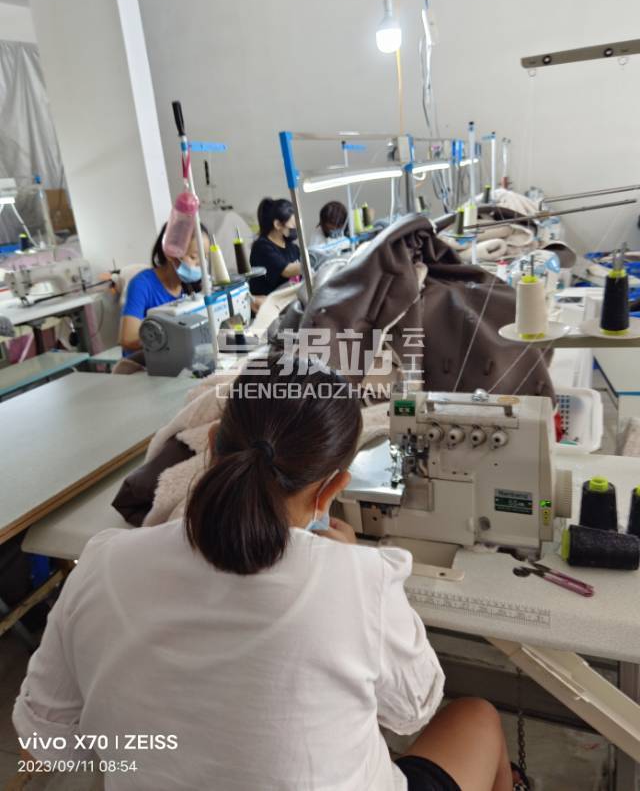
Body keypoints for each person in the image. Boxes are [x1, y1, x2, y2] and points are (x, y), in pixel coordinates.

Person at [13, 355, 521, 791]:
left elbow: (44, 743)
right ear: (333, 488)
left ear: (212, 445)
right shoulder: (358, 580)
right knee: (476, 718)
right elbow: (414, 710)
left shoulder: (103, 563)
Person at [118, 222, 209, 356]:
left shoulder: (189, 287)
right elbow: (127, 338)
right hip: (144, 363)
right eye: (194, 257)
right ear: (170, 254)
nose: (201, 264)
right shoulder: (142, 284)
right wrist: (170, 338)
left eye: (205, 257)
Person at [249, 198, 301, 303]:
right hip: (268, 306)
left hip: (289, 302)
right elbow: (286, 271)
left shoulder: (292, 247)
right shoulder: (262, 247)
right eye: (292, 226)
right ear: (277, 225)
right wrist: (312, 262)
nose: (295, 229)